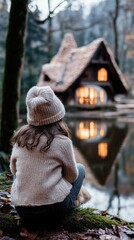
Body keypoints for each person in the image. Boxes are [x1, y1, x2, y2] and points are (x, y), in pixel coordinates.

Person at [10, 86, 86, 226]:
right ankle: (75, 199)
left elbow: (14, 171)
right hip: (54, 209)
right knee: (80, 169)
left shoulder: (20, 140)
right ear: (57, 116)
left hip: (22, 209)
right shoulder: (63, 143)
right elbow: (72, 177)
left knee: (19, 174)